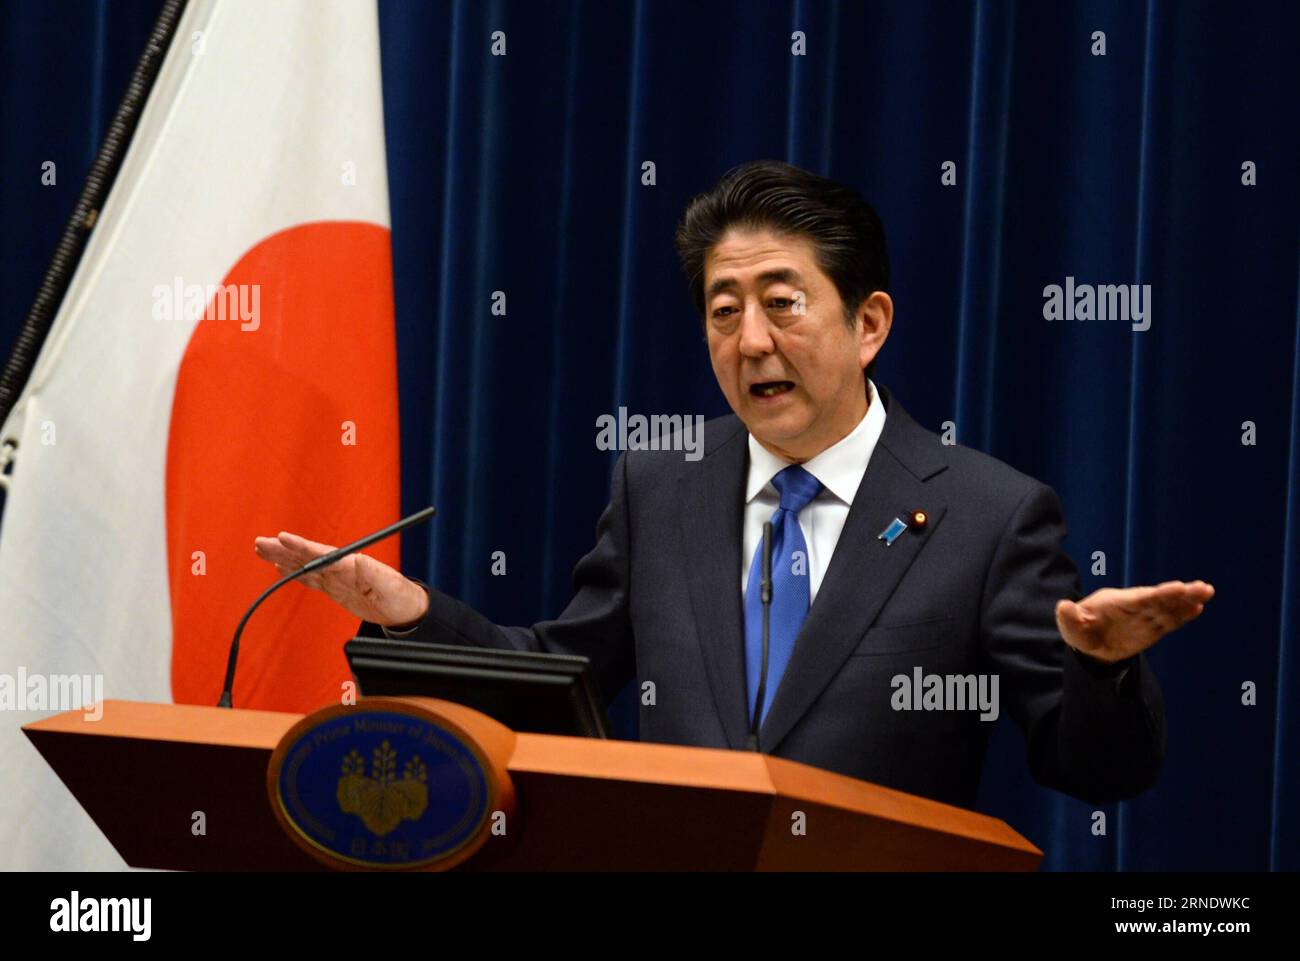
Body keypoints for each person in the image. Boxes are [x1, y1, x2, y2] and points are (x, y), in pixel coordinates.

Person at [255, 160, 1213, 809]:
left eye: (782, 303)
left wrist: (1103, 666)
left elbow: (1094, 770)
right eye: (724, 310)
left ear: (869, 323)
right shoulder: (660, 487)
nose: (750, 339)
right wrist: (414, 613)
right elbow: (565, 680)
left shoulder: (989, 512)